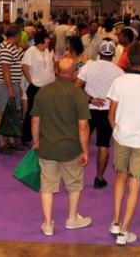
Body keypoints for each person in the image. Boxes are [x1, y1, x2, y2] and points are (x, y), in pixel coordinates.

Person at [107, 43, 140, 246]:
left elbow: (111, 113)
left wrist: (117, 130)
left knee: (121, 177)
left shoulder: (119, 81)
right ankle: (124, 231)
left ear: (128, 59)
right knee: (136, 182)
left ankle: (115, 221)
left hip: (122, 137)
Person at [31, 58, 92, 236]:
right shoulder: (78, 94)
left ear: (56, 71)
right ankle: (72, 219)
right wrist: (85, 150)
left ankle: (48, 224)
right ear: (75, 73)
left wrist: (36, 142)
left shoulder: (43, 92)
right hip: (71, 149)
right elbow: (83, 126)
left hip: (47, 148)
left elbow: (35, 120)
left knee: (47, 187)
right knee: (74, 184)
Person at [76, 40, 124, 189]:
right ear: (114, 54)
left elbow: (76, 87)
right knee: (103, 145)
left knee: (81, 143)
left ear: (99, 52)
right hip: (108, 112)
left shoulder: (88, 67)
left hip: (88, 108)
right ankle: (99, 178)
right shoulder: (119, 72)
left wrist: (90, 98)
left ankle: (75, 177)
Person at [0, 26, 25, 154]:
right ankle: (2, 143)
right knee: (2, 113)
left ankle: (11, 141)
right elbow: (5, 69)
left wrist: (17, 86)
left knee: (11, 113)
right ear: (16, 36)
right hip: (4, 85)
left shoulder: (10, 47)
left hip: (11, 85)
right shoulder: (6, 48)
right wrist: (10, 87)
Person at [22, 30, 56, 146]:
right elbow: (25, 66)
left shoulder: (47, 51)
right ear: (43, 39)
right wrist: (31, 81)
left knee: (46, 113)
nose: (49, 40)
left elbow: (51, 67)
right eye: (48, 38)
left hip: (48, 87)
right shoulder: (31, 51)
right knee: (32, 112)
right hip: (36, 86)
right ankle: (26, 136)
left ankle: (42, 135)